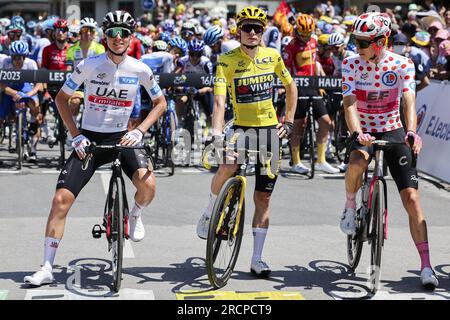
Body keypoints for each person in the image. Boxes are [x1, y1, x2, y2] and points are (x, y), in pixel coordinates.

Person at [23, 10, 167, 287]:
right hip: (89, 138)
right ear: (106, 36)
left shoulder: (140, 68)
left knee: (148, 185)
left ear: (130, 37)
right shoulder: (90, 65)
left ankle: (133, 214)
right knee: (60, 200)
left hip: (123, 137)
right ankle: (47, 267)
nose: (118, 38)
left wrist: (139, 130)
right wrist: (75, 135)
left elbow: (160, 103)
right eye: (113, 33)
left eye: (124, 33)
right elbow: (61, 98)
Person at [196, 6, 298, 278]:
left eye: (257, 28)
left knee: (263, 197)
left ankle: (257, 258)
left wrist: (288, 121)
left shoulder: (273, 56)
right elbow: (219, 100)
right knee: (228, 165)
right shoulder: (226, 60)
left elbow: (291, 87)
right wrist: (217, 135)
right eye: (247, 28)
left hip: (269, 132)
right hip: (241, 127)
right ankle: (209, 211)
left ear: (262, 31)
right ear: (238, 31)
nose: (252, 33)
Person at [340, 12, 439, 289]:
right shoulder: (350, 63)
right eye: (356, 41)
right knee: (357, 162)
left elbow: (409, 100)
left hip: (392, 128)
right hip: (363, 127)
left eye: (362, 42)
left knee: (412, 198)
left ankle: (427, 266)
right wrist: (358, 133)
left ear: (381, 42)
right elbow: (349, 103)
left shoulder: (402, 64)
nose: (357, 47)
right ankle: (350, 206)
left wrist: (411, 131)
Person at [284, 13, 340, 174]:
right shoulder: (291, 46)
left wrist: (321, 77)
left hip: (314, 84)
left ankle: (321, 160)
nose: (306, 36)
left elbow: (315, 61)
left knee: (326, 122)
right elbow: (286, 69)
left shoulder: (314, 40)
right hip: (298, 86)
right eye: (303, 34)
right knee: (298, 126)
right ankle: (296, 162)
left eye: (309, 33)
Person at [0, 40, 43, 162]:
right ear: (11, 56)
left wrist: (28, 95)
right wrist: (14, 93)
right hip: (10, 89)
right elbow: (1, 84)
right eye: (15, 57)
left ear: (25, 56)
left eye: (20, 57)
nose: (17, 60)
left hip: (26, 88)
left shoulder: (31, 64)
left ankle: (34, 124)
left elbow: (38, 84)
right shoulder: (5, 62)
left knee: (35, 105)